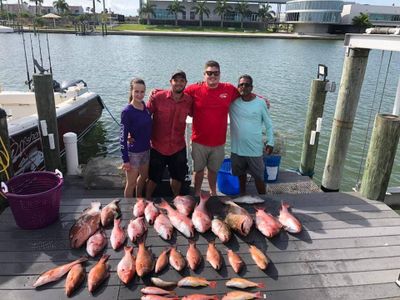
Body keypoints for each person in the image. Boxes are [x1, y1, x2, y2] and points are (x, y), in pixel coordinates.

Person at [185, 60, 240, 196]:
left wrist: (262, 99)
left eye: (216, 73)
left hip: (218, 143)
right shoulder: (194, 89)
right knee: (198, 170)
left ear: (220, 74)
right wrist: (156, 92)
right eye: (209, 73)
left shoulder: (229, 89)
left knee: (213, 170)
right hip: (199, 141)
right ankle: (197, 193)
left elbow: (245, 94)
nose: (212, 76)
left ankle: (213, 192)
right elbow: (176, 92)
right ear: (204, 75)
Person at [145, 70, 193, 199]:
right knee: (153, 177)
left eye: (182, 80)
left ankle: (176, 198)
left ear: (186, 83)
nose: (178, 83)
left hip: (178, 146)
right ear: (170, 82)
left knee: (177, 177)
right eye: (176, 80)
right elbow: (144, 116)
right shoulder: (157, 97)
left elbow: (197, 114)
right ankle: (147, 198)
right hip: (157, 146)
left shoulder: (189, 100)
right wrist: (132, 132)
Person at [229, 74, 274, 195]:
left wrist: (271, 142)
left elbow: (268, 124)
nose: (244, 87)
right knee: (240, 175)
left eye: (247, 84)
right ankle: (242, 195)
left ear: (252, 87)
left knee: (259, 177)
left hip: (254, 149)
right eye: (241, 85)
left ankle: (264, 198)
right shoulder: (232, 102)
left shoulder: (260, 103)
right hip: (237, 149)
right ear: (238, 87)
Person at [120, 78, 152, 198]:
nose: (139, 95)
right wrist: (125, 159)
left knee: (144, 177)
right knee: (131, 183)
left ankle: (139, 199)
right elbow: (122, 137)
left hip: (146, 150)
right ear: (131, 91)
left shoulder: (144, 106)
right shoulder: (127, 111)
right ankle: (127, 206)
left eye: (142, 92)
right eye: (136, 91)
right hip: (133, 153)